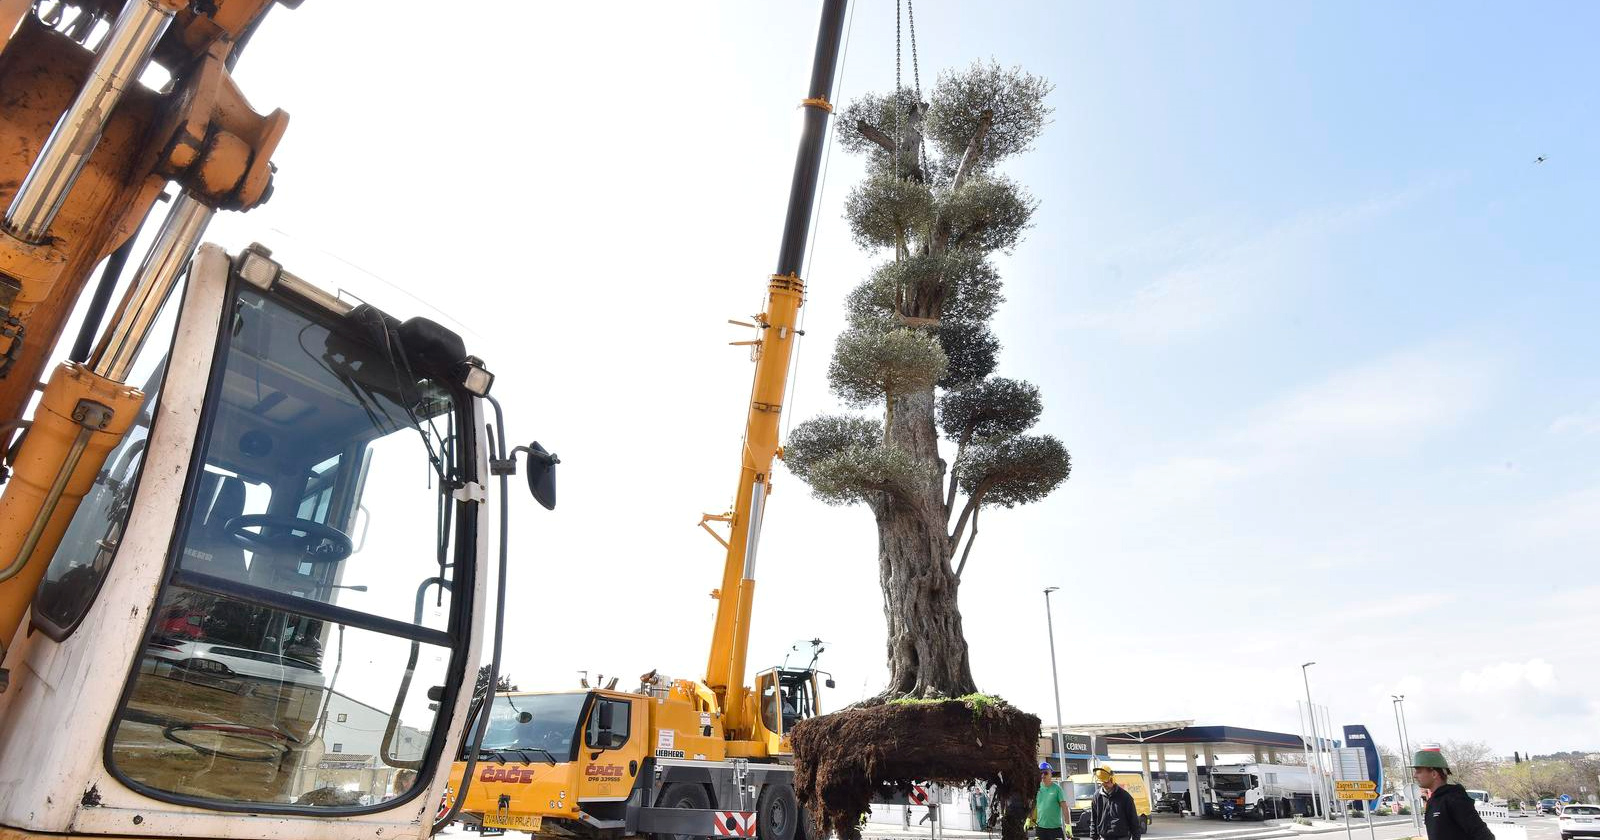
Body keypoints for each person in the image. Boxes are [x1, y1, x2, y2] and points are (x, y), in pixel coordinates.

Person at [1412, 750, 1494, 840]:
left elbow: (1485, 836)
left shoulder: (1455, 799)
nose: (1414, 775)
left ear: (1434, 774)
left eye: (1418, 771)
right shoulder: (1432, 801)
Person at [1090, 767, 1142, 840]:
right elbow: (1094, 818)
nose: (1104, 784)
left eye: (1106, 782)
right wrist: (1093, 836)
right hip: (1104, 837)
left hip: (1122, 837)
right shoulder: (1097, 796)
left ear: (1112, 779)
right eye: (1102, 782)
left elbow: (1133, 820)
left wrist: (1136, 838)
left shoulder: (1125, 796)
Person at [1032, 763, 1069, 840]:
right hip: (1040, 829)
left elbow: (1065, 808)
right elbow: (1033, 805)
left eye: (1045, 773)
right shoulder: (1036, 788)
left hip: (1055, 829)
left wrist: (1068, 825)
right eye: (1040, 773)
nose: (1043, 775)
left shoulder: (1057, 789)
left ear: (1051, 774)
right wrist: (1029, 819)